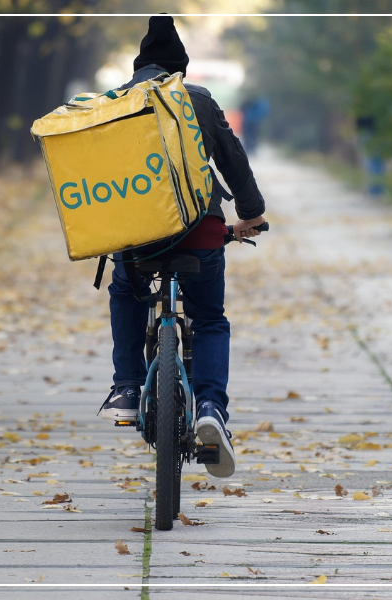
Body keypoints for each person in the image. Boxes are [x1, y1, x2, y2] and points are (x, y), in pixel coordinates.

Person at [98, 15, 266, 478]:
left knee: (125, 289)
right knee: (209, 318)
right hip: (200, 232)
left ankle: (127, 387)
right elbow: (233, 161)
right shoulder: (197, 100)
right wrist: (250, 214)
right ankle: (211, 407)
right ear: (180, 71)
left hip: (137, 238)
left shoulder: (115, 104)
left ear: (138, 69)